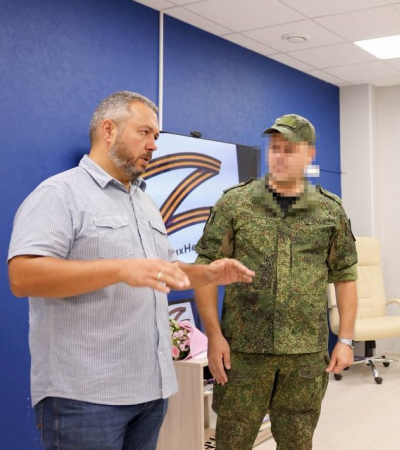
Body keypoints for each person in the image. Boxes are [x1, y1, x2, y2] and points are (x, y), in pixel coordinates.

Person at [7, 91, 255, 450]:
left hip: (149, 392)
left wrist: (210, 274)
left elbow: (165, 271)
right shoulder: (59, 194)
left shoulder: (143, 200)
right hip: (85, 398)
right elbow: (23, 276)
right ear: (108, 130)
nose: (154, 144)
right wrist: (120, 269)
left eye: (156, 135)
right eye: (145, 132)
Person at [193, 114, 359, 450]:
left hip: (304, 355)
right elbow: (205, 269)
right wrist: (213, 336)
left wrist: (345, 339)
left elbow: (345, 276)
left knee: (297, 443)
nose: (279, 156)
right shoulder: (235, 203)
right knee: (232, 442)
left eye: (290, 149)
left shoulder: (330, 211)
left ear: (309, 153)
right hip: (243, 354)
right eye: (275, 148)